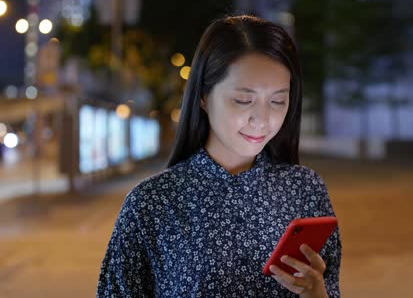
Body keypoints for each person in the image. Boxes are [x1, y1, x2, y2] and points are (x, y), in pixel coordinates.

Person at [97, 15, 342, 297]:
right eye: (243, 100)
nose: (262, 119)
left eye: (278, 101)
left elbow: (330, 286)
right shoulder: (152, 204)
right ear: (203, 95)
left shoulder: (305, 190)